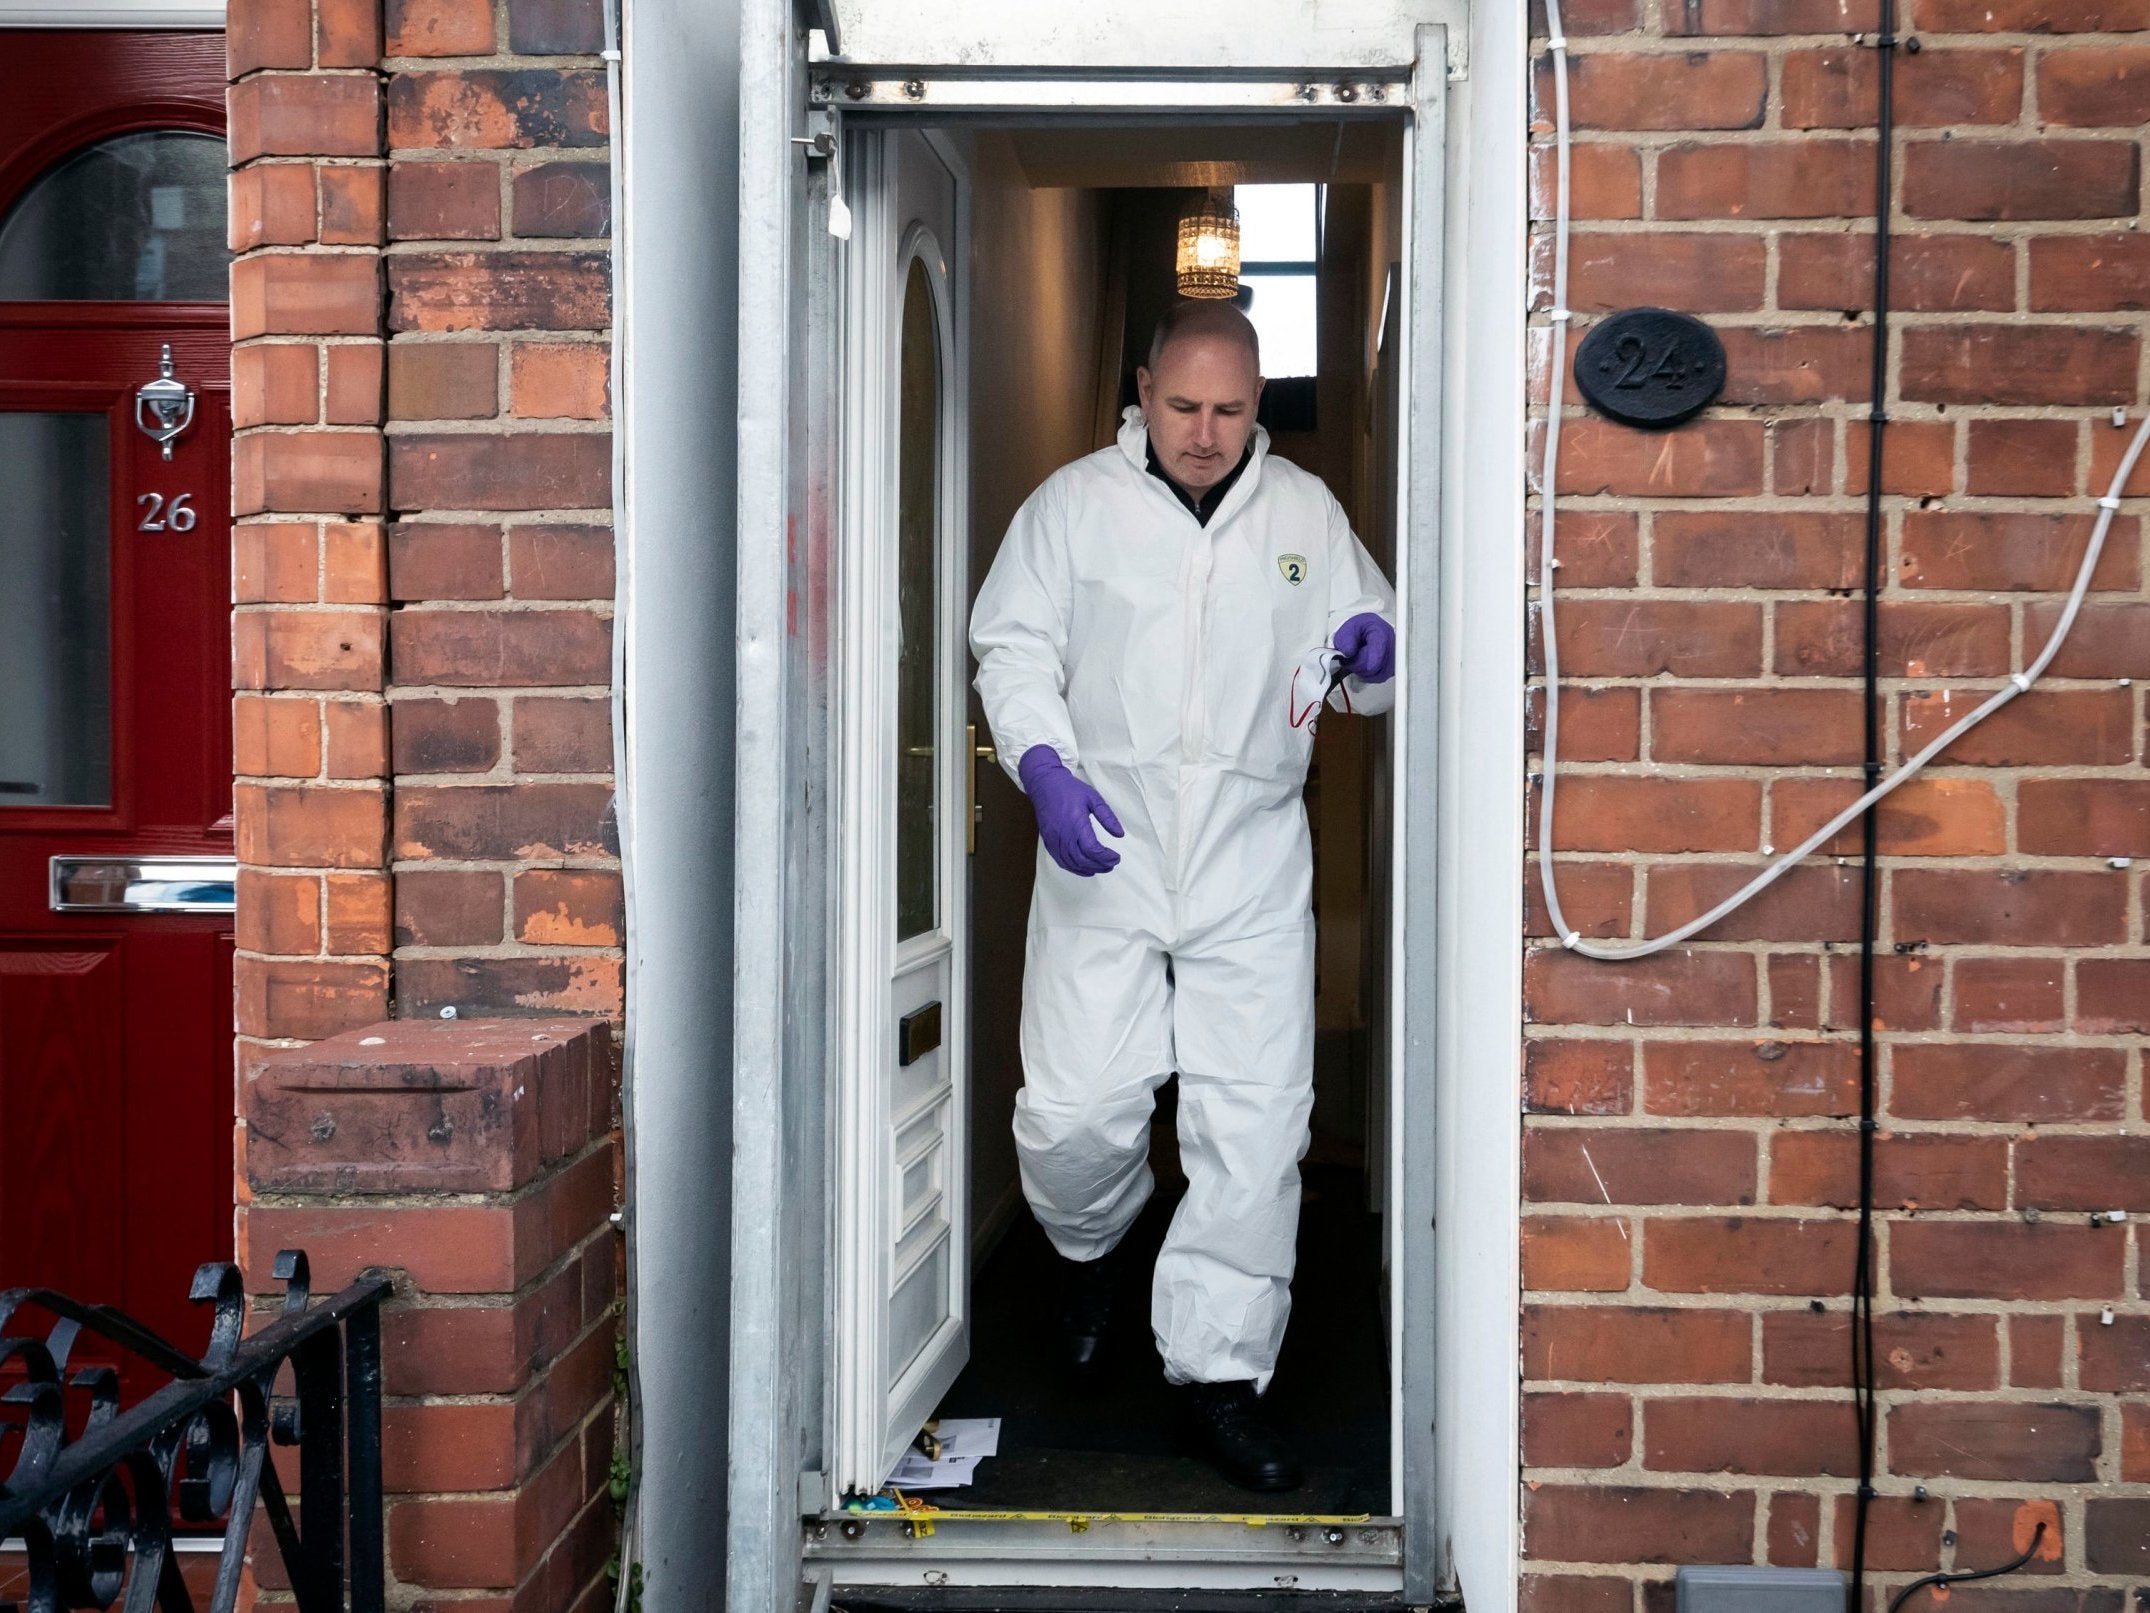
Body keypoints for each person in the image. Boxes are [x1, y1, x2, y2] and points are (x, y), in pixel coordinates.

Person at [969, 299, 1397, 1493]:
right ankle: (1092, 1250)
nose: (1204, 433)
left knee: (1253, 1129)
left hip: (1248, 860)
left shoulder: (1302, 514)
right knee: (1071, 1114)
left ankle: (1219, 1377)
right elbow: (1011, 647)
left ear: (1257, 406)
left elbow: (1359, 659)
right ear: (1141, 389)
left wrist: (1377, 647)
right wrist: (1042, 766)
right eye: (1182, 405)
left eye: (1230, 409)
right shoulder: (1070, 508)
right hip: (1102, 848)